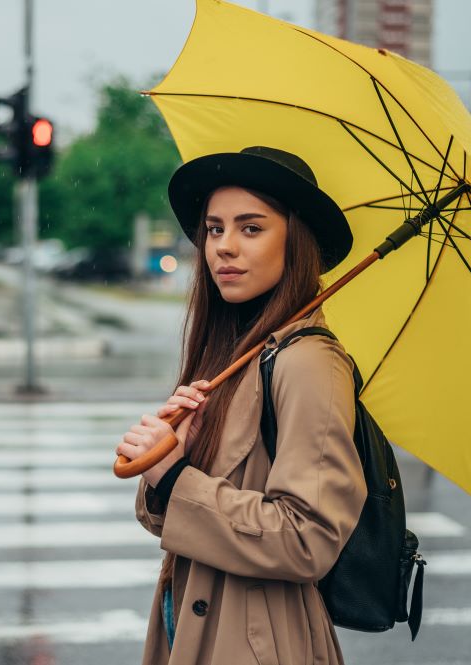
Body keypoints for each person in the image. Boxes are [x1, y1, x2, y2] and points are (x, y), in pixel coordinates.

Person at [117, 146, 368, 665]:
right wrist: (172, 452)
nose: (224, 248)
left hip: (259, 645)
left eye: (251, 228)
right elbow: (169, 521)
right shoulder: (235, 353)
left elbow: (308, 539)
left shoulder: (308, 364)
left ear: (294, 241)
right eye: (214, 229)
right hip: (192, 624)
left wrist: (177, 476)